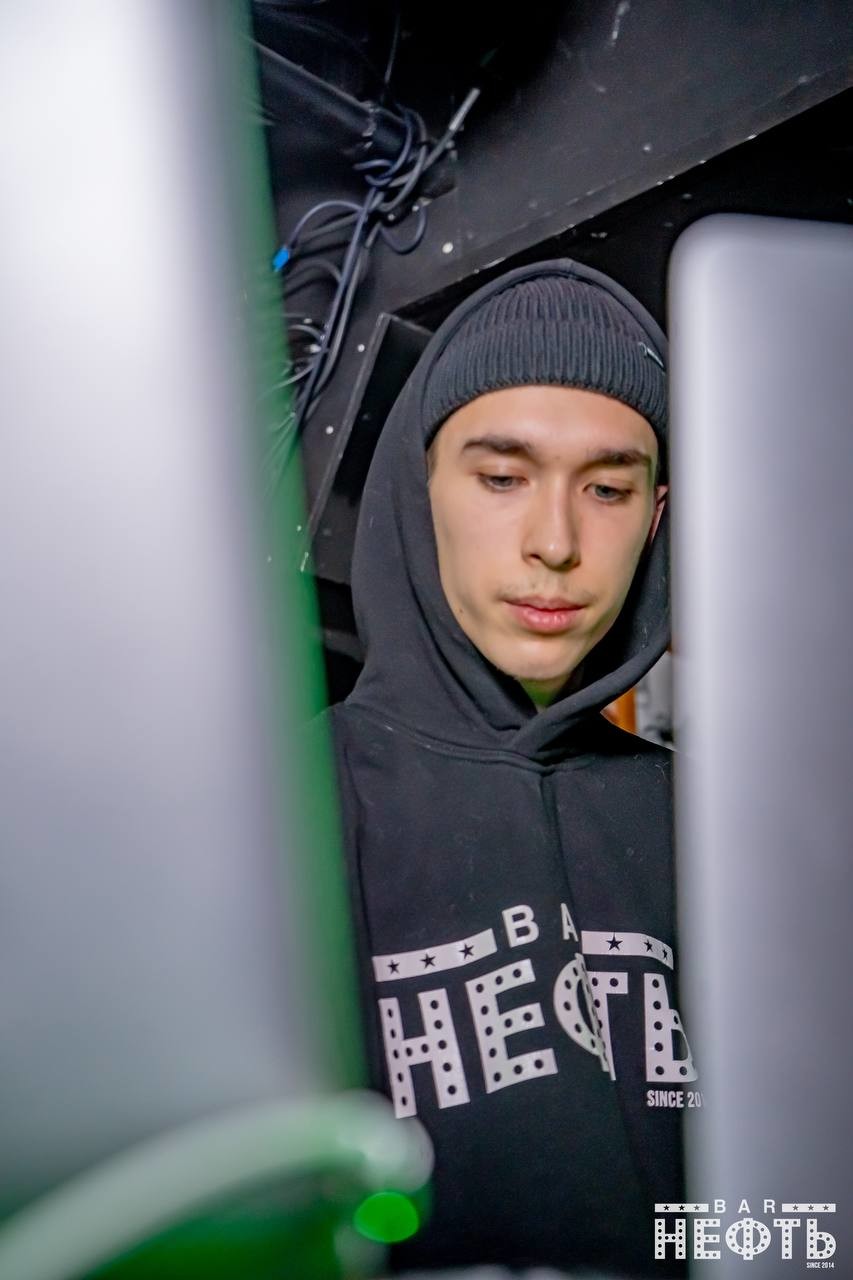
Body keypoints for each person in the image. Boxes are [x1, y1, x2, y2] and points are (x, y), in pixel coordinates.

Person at [325, 259, 697, 1276]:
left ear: (655, 515)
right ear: (420, 491)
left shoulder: (720, 829)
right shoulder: (282, 809)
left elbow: (801, 1218)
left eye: (607, 489)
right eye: (501, 478)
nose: (555, 543)